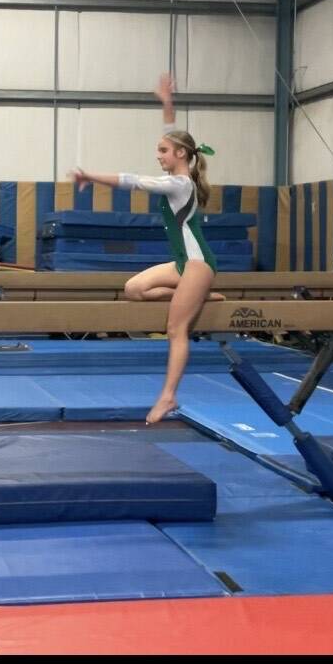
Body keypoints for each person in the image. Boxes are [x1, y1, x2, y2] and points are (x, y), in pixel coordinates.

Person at [69, 73, 223, 424]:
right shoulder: (178, 176)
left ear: (180, 154)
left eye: (162, 151)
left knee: (175, 330)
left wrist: (89, 175)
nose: (158, 156)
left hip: (198, 264)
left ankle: (168, 396)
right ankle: (194, 295)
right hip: (183, 264)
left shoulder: (180, 184)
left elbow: (133, 181)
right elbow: (173, 136)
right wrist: (167, 103)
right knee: (133, 289)